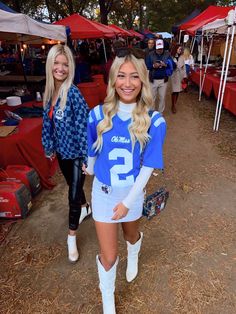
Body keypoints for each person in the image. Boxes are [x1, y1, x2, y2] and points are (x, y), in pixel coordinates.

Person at [83, 47, 166, 314]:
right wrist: (91, 168)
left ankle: (134, 254)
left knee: (131, 235)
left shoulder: (154, 121)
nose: (127, 83)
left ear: (142, 80)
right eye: (121, 76)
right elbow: (93, 148)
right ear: (112, 80)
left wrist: (128, 201)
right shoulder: (97, 114)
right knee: (108, 255)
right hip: (104, 193)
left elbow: (148, 167)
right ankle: (108, 299)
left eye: (134, 77)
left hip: (132, 193)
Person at [42, 44, 91, 263]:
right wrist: (49, 146)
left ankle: (71, 237)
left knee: (72, 194)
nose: (60, 68)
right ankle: (86, 207)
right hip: (62, 152)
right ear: (50, 65)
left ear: (70, 67)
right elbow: (48, 124)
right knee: (74, 185)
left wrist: (86, 157)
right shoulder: (49, 92)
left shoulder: (73, 93)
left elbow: (85, 127)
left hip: (77, 153)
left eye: (65, 64)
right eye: (57, 63)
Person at [145, 39, 173, 113]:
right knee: (152, 98)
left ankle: (160, 114)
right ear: (156, 47)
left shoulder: (167, 54)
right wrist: (153, 65)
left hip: (164, 79)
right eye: (158, 48)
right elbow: (147, 65)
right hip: (153, 79)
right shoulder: (150, 54)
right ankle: (151, 114)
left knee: (162, 98)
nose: (160, 50)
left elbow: (173, 64)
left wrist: (166, 65)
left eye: (161, 48)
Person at [170, 44, 187, 113]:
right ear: (176, 49)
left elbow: (184, 67)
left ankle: (174, 104)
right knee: (174, 91)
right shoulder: (171, 57)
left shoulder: (182, 57)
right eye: (179, 49)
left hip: (179, 76)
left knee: (177, 91)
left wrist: (185, 76)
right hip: (173, 76)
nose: (180, 50)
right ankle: (173, 105)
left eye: (181, 49)